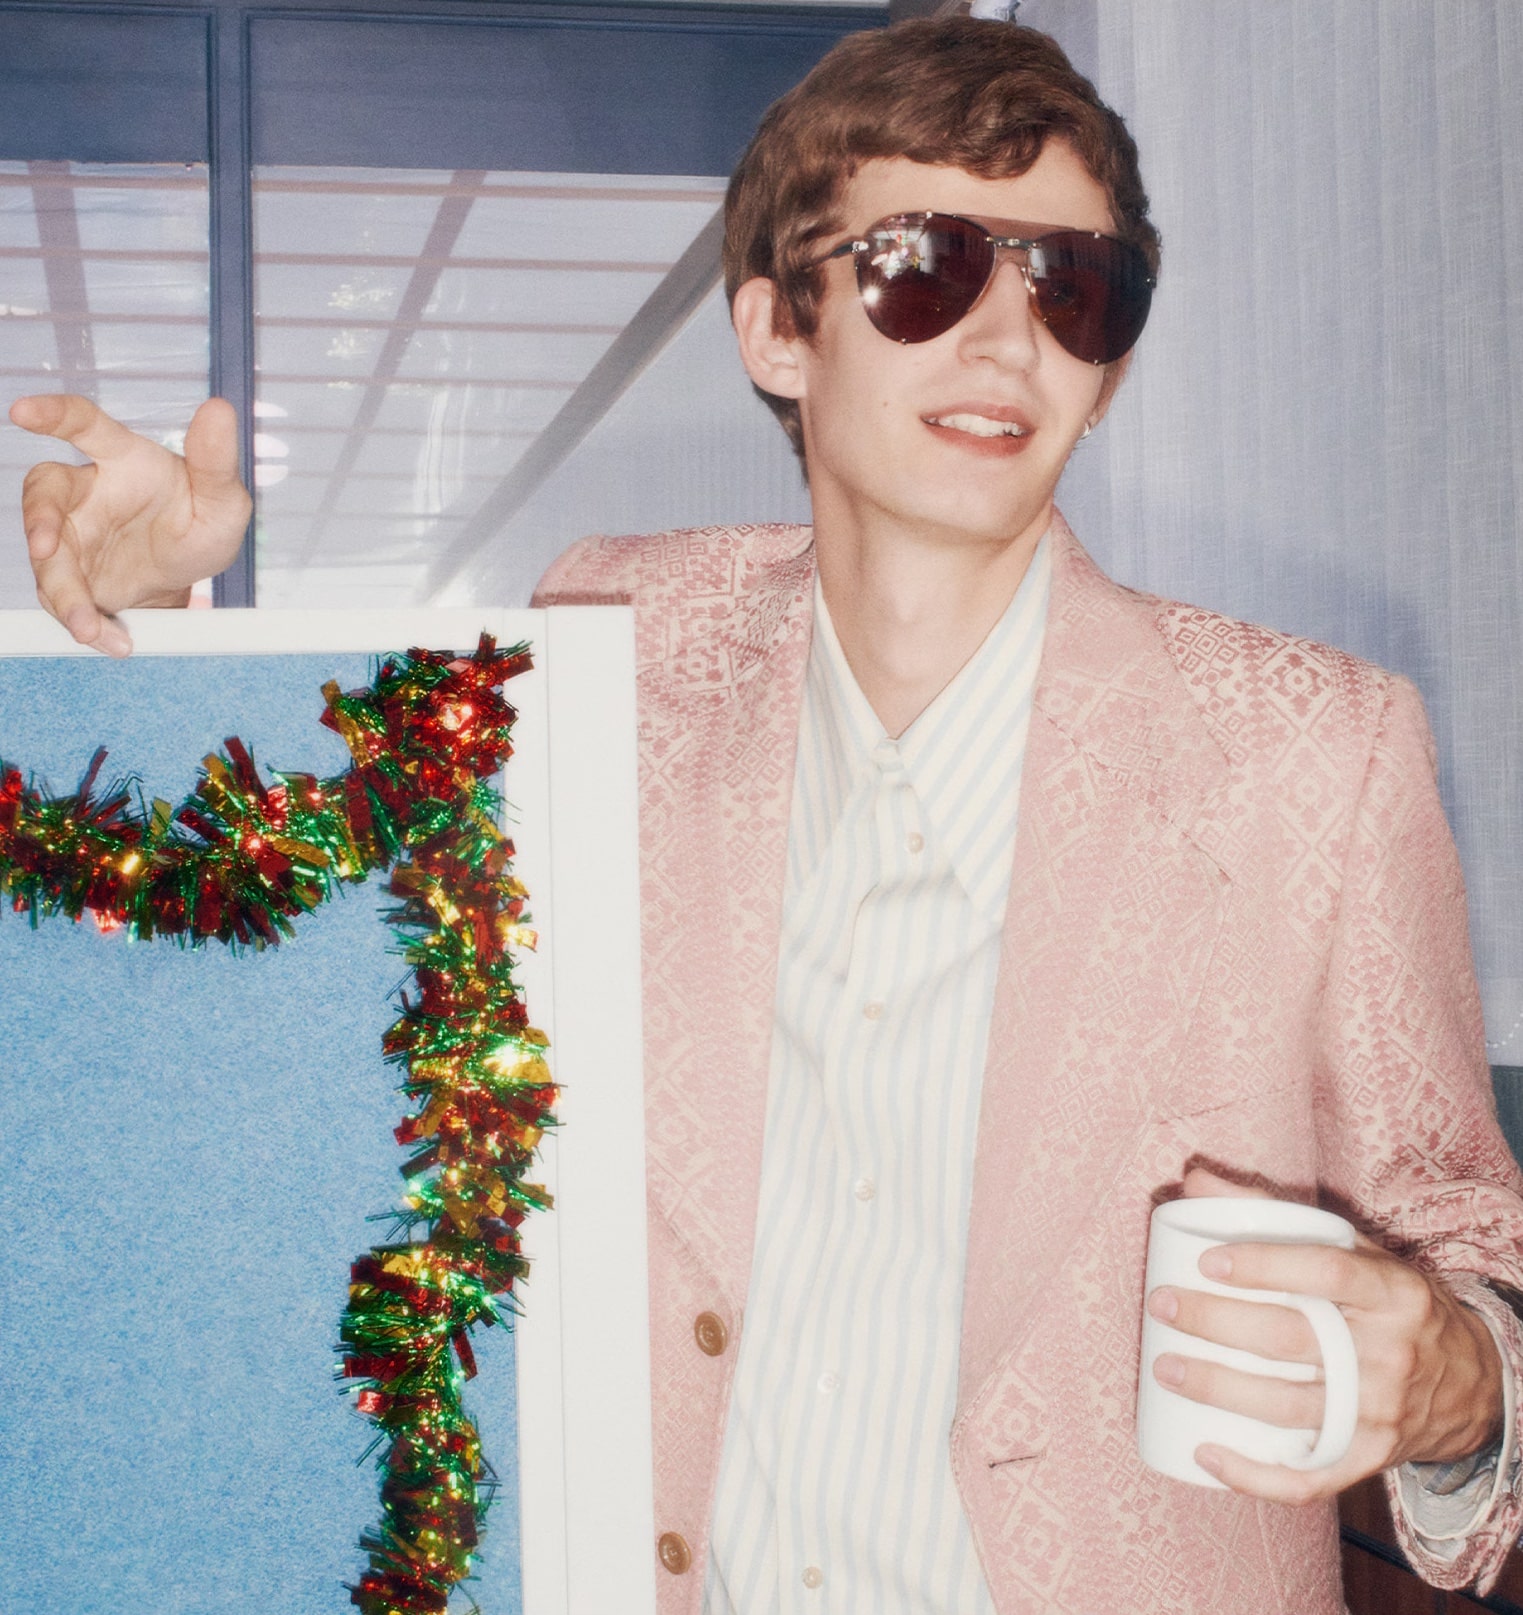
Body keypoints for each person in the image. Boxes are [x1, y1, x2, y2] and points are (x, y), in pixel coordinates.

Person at [11, 18, 1523, 1613]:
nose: (1008, 340)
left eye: (1073, 287)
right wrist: (147, 629)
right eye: (927, 268)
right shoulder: (614, 640)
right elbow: (310, 948)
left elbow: (1471, 1251)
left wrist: (1450, 1382)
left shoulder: (1314, 756)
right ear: (777, 331)